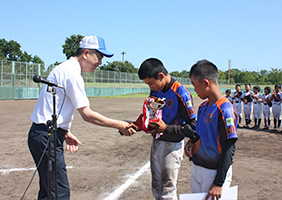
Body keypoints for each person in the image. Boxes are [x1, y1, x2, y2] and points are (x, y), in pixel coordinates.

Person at [28, 35, 136, 200]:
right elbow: (87, 115)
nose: (100, 62)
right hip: (46, 136)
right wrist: (120, 125)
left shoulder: (64, 68)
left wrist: (65, 131)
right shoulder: (72, 74)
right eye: (98, 57)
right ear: (86, 53)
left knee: (50, 191)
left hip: (45, 134)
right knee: (58, 193)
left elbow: (55, 105)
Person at [136, 58, 197, 200]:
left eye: (151, 83)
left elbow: (193, 126)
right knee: (157, 186)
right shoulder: (155, 91)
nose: (150, 87)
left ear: (161, 76)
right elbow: (152, 115)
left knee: (167, 189)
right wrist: (136, 125)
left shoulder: (180, 93)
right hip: (157, 143)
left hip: (172, 145)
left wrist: (166, 128)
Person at [183, 59, 238, 200]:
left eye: (194, 85)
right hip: (197, 168)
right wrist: (190, 142)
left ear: (206, 83)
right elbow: (199, 133)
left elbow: (229, 148)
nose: (194, 89)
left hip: (214, 173)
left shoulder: (225, 109)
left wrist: (218, 183)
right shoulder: (203, 107)